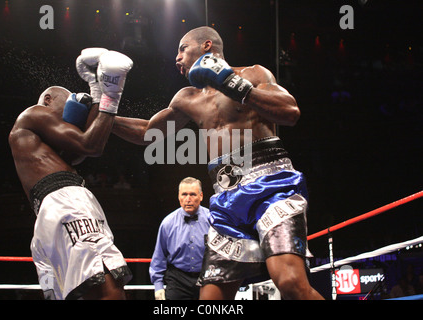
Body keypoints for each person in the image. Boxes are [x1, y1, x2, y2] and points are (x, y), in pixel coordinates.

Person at [112, 26, 323, 300]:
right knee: (211, 299)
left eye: (182, 48)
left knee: (291, 284)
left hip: (271, 185)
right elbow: (147, 132)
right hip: (226, 199)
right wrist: (103, 113)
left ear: (206, 46)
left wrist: (234, 85)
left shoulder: (253, 74)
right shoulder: (187, 98)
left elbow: (290, 112)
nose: (176, 58)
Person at [8, 48, 133, 300]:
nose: (69, 118)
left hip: (48, 214)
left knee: (77, 292)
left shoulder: (45, 148)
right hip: (68, 203)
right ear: (48, 101)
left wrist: (95, 88)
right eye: (66, 106)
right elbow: (91, 145)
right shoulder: (34, 113)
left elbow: (89, 140)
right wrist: (112, 92)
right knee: (109, 287)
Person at [149, 177, 210, 300]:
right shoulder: (168, 223)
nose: (188, 199)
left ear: (201, 196)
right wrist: (158, 286)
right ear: (179, 197)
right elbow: (159, 256)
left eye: (192, 194)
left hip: (208, 277)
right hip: (178, 280)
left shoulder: (212, 220)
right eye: (184, 194)